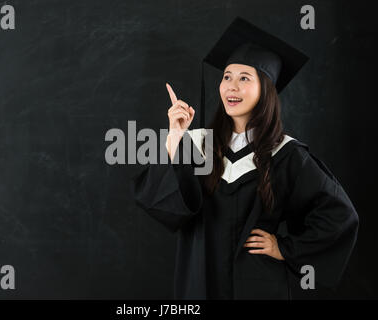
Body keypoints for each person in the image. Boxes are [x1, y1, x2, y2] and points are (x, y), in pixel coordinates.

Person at [132, 17, 359, 300]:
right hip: (199, 281)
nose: (231, 87)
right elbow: (167, 210)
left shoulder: (286, 154)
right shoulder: (198, 144)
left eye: (244, 78)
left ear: (266, 90)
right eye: (226, 77)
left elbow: (340, 215)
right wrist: (174, 140)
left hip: (258, 284)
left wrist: (284, 247)